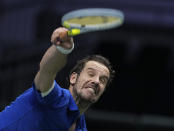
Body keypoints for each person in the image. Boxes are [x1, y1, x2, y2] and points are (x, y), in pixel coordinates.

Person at [0, 27, 115, 131]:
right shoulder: (54, 98)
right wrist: (61, 49)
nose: (96, 81)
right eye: (91, 74)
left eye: (103, 80)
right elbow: (46, 71)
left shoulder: (81, 128)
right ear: (73, 78)